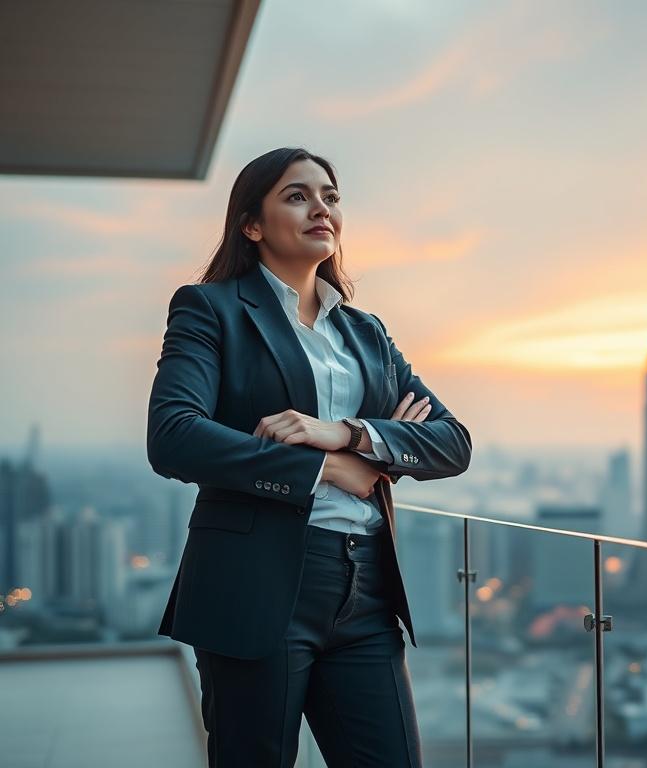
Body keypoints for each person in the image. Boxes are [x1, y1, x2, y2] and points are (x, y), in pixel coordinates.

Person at [146, 147, 472, 767]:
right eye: (297, 196)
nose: (321, 208)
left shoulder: (365, 332)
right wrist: (326, 470)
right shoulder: (211, 308)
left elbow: (452, 443)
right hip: (257, 582)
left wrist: (345, 435)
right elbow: (174, 435)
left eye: (330, 195)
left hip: (366, 590)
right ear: (252, 224)